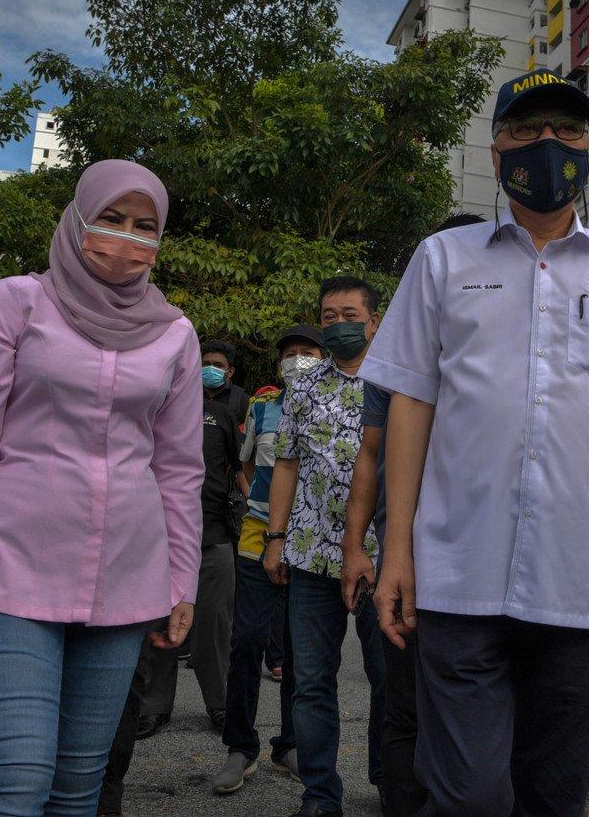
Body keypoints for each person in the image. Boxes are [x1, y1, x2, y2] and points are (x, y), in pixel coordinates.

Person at [360, 69, 589, 814]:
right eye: (525, 129)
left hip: (579, 580)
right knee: (472, 796)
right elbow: (410, 405)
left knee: (554, 794)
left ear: (587, 148)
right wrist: (397, 551)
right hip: (458, 574)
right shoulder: (443, 260)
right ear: (496, 153)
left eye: (566, 129)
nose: (548, 143)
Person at [0, 160, 205, 815]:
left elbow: (179, 469)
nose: (127, 237)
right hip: (12, 572)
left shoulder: (175, 335)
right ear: (77, 219)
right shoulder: (16, 302)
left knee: (78, 790)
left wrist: (181, 581)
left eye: (145, 226)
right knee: (12, 783)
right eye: (111, 218)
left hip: (126, 579)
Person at [340, 212, 485, 817]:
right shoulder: (400, 354)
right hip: (408, 557)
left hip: (482, 557)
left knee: (478, 705)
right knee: (405, 704)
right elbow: (369, 457)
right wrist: (358, 549)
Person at [264, 278, 386, 817]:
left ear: (374, 321)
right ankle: (320, 795)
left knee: (390, 680)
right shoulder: (304, 386)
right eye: (329, 316)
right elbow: (286, 464)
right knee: (311, 683)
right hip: (312, 553)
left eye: (350, 314)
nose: (339, 325)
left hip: (384, 558)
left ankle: (390, 782)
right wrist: (275, 538)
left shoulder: (399, 380)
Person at [99, 388, 241, 814]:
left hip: (212, 535)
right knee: (158, 631)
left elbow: (235, 468)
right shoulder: (143, 405)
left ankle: (220, 706)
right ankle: (155, 707)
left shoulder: (217, 415)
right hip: (152, 536)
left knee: (213, 627)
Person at [212, 323, 325, 796]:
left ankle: (290, 745)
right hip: (258, 533)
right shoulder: (261, 407)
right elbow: (245, 463)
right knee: (247, 640)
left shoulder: (335, 406)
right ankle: (241, 747)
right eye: (290, 353)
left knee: (299, 647)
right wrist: (253, 501)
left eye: (307, 352)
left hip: (309, 536)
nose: (298, 359)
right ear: (279, 365)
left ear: (323, 359)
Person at [202, 340, 250, 424]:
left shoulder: (240, 400)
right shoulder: (189, 395)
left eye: (218, 365)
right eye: (206, 364)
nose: (211, 369)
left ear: (230, 372)